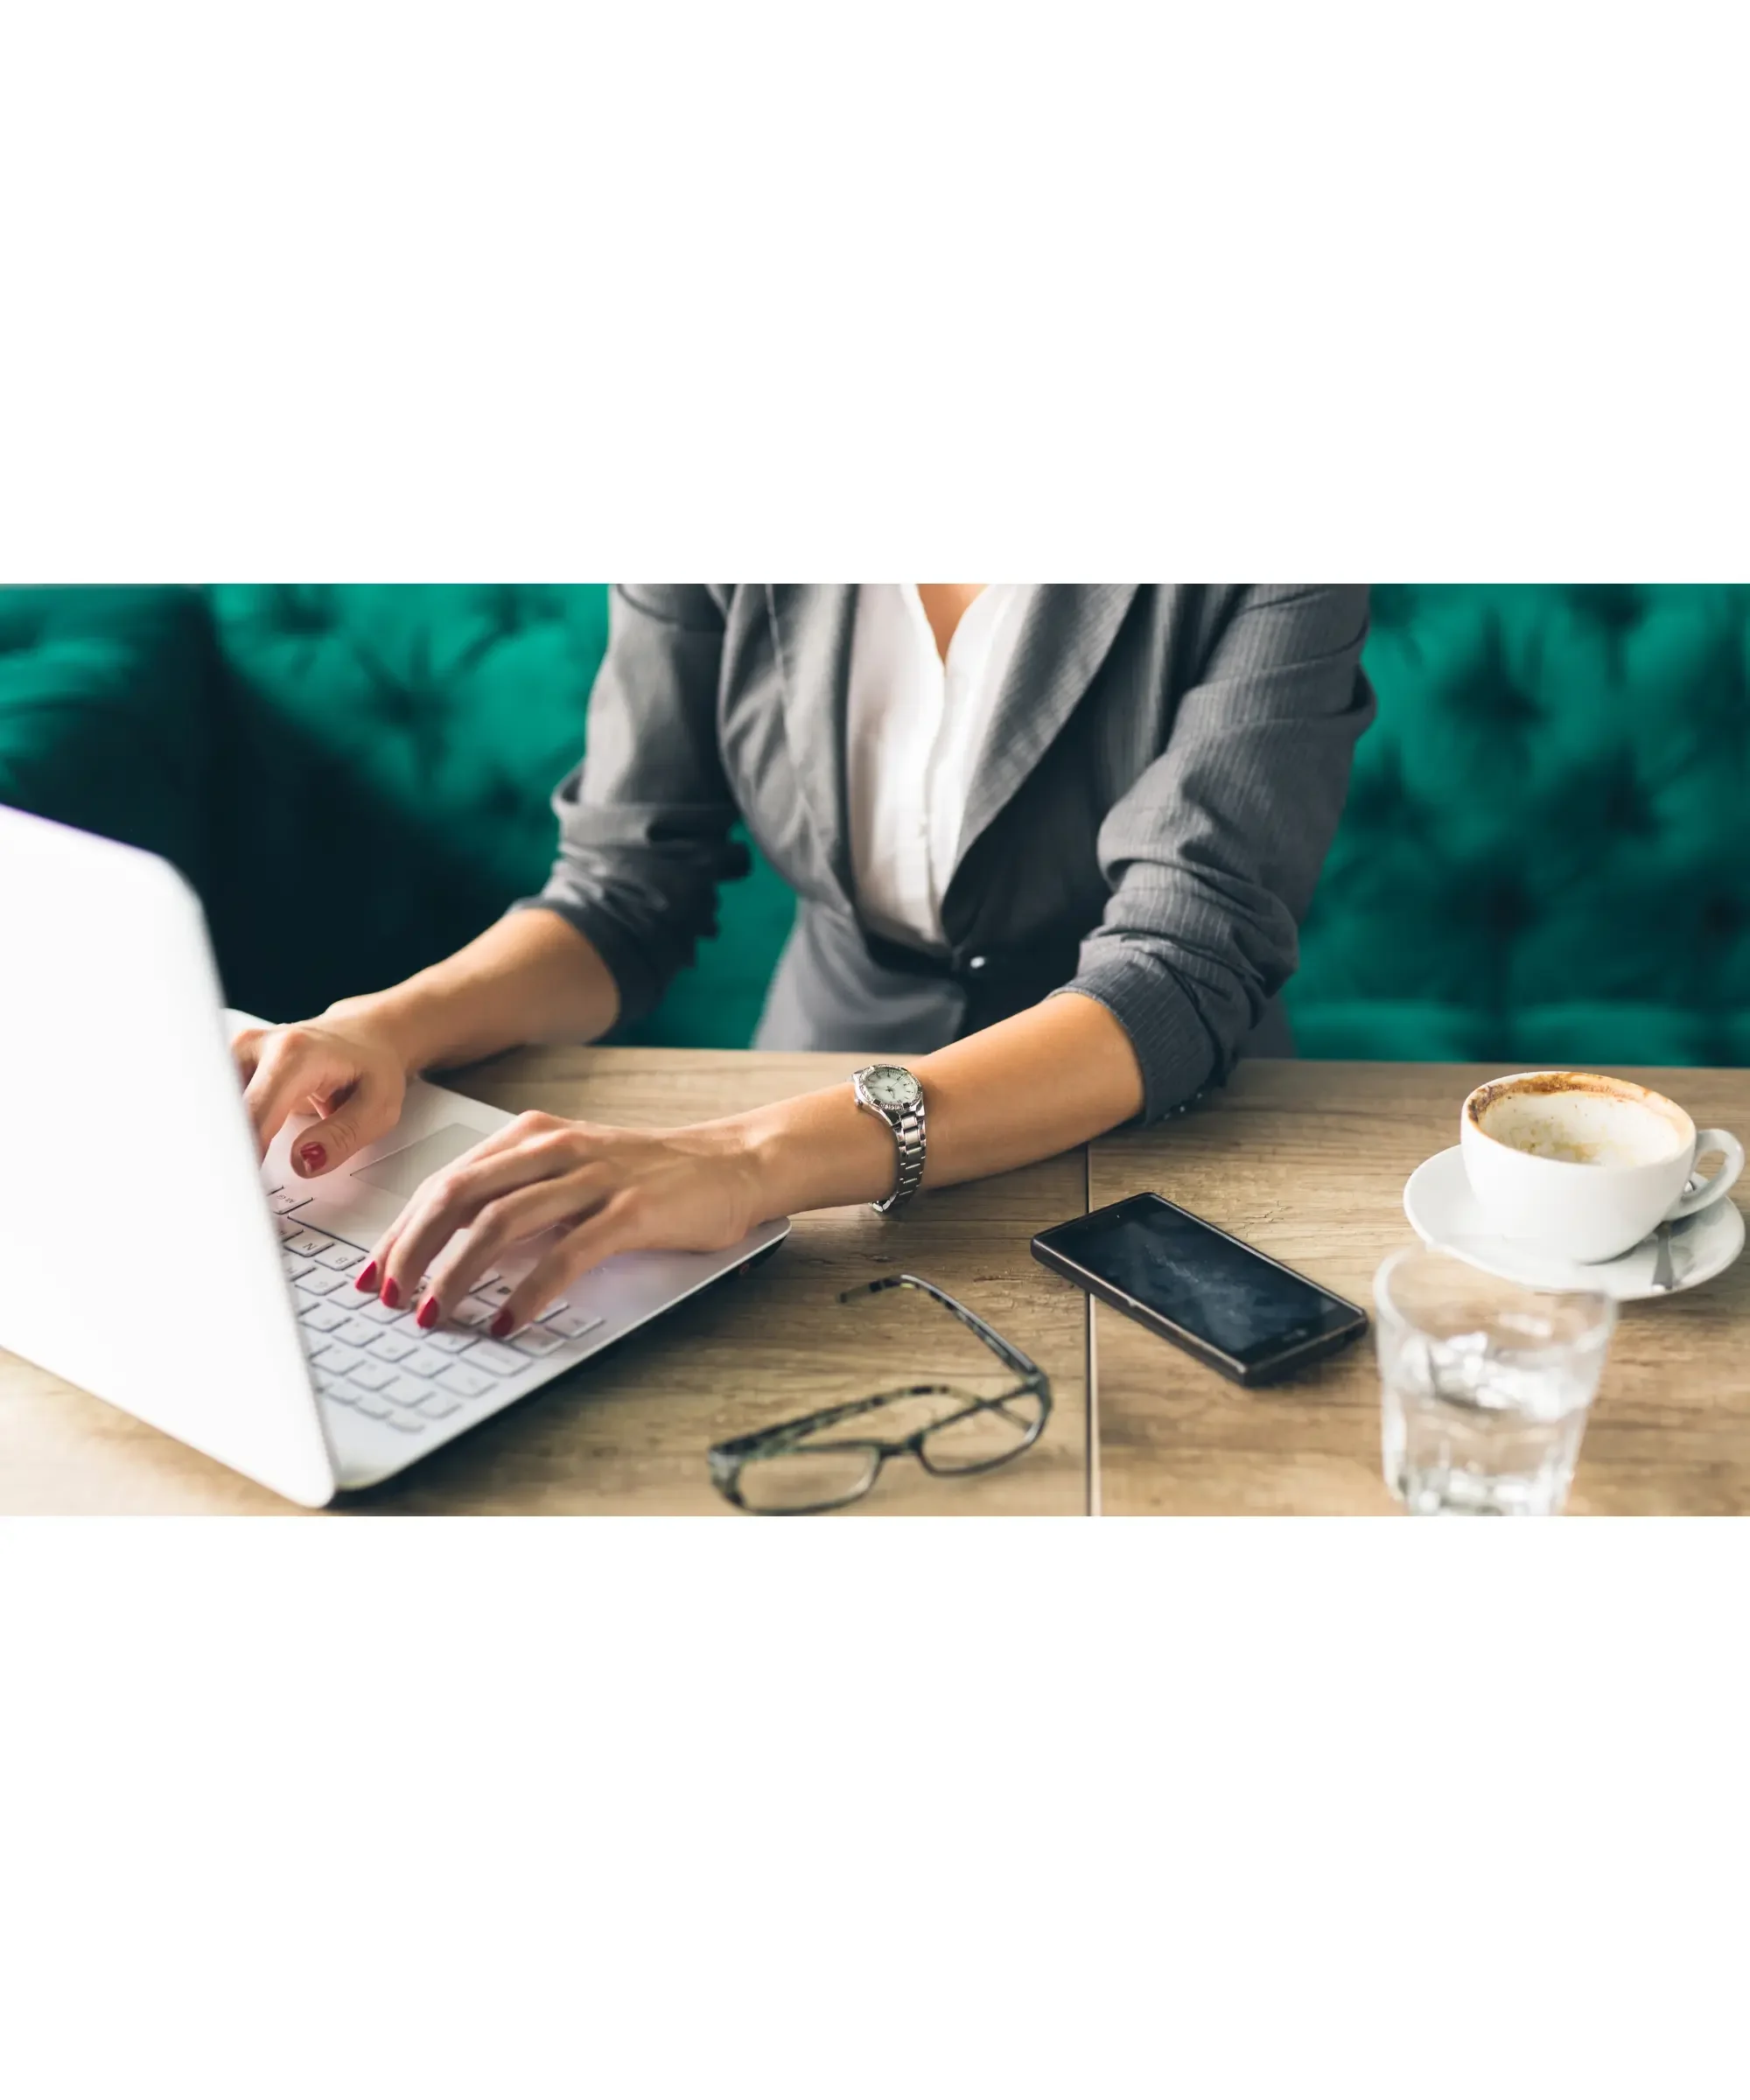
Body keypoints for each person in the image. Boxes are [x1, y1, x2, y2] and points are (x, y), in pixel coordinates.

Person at [235, 585, 1374, 1337]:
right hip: (816, 1098)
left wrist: (744, 1158)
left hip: (1146, 1131)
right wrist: (385, 1025)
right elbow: (624, 890)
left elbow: (1182, 963)